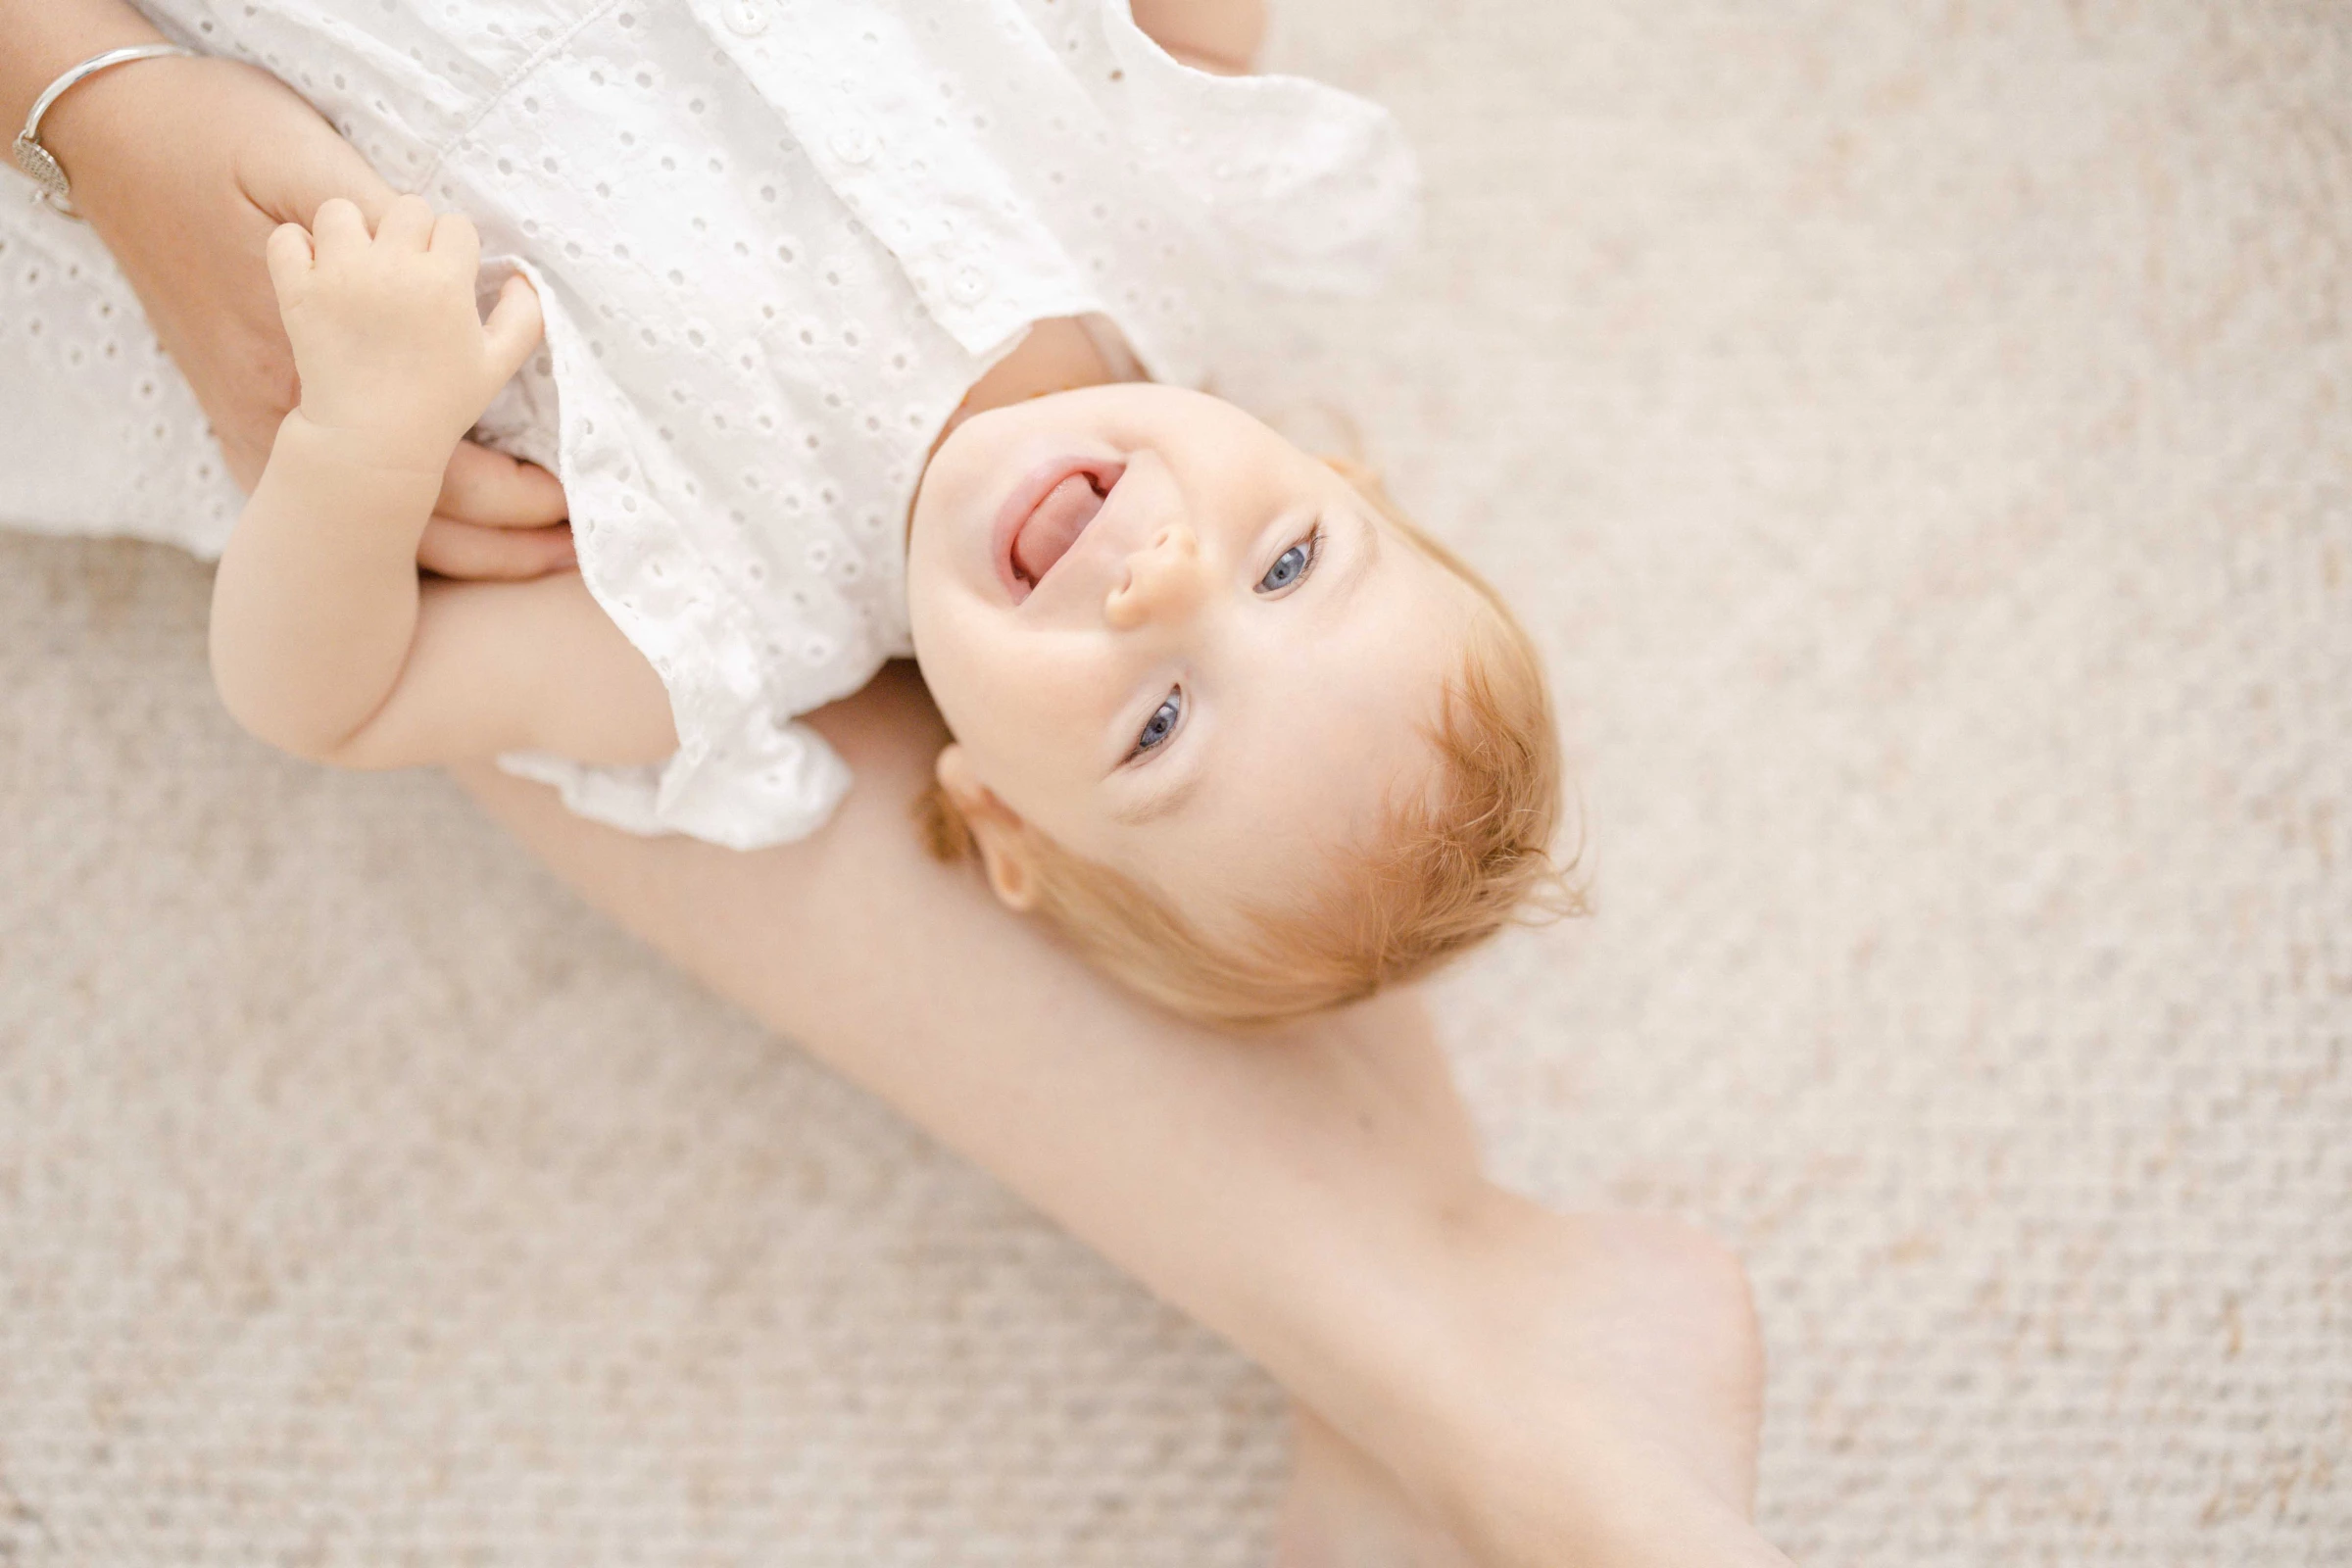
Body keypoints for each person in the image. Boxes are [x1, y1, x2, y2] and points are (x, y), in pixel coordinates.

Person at [0, 2, 1793, 1562]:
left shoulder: (707, 623)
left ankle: (1477, 1369)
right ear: (1339, 464)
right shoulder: (1148, 204)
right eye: (1290, 562)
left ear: (988, 816)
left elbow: (340, 696)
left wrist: (356, 450)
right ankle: (1478, 1368)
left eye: (1161, 724)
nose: (1162, 577)